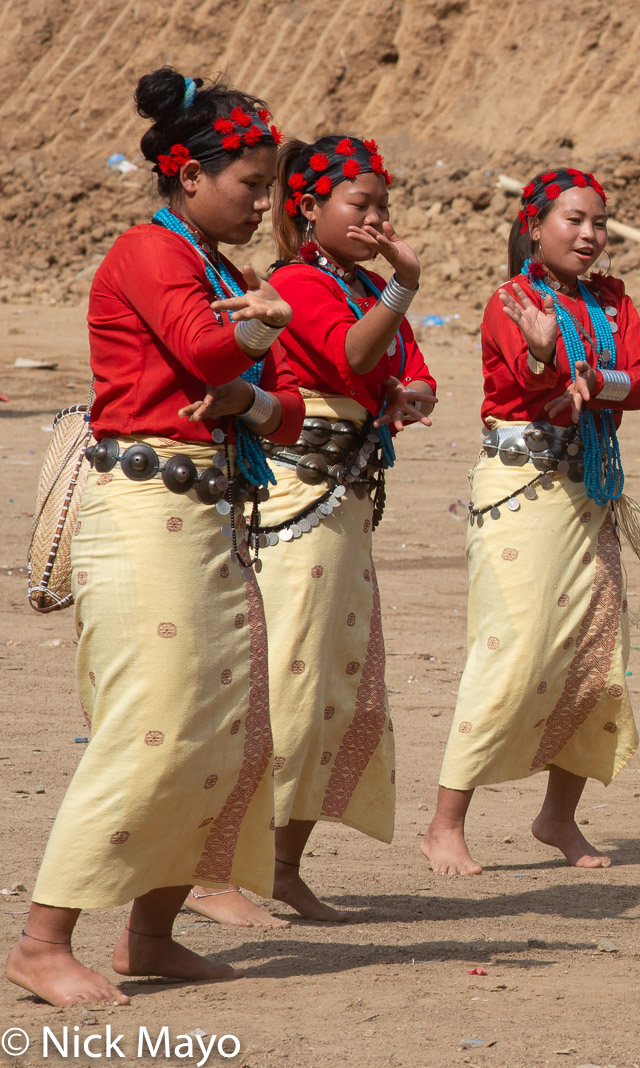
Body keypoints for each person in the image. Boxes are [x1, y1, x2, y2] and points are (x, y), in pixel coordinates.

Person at [4, 67, 301, 1005]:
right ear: (187, 177)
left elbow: (283, 412)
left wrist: (252, 378)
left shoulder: (222, 271)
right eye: (249, 185)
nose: (265, 203)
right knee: (150, 726)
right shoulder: (148, 251)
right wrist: (253, 347)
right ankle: (42, 941)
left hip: (202, 516)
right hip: (144, 517)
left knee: (215, 729)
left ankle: (151, 933)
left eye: (269, 187)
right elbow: (211, 353)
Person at [179, 132, 438, 926]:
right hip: (302, 502)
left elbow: (407, 367)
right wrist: (407, 286)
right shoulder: (298, 281)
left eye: (383, 207)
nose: (375, 219)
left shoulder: (359, 285)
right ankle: (212, 869)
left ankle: (285, 865)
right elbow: (357, 355)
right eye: (360, 205)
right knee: (282, 680)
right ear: (309, 207)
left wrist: (413, 392)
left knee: (334, 688)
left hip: (350, 505)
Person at [421, 168, 640, 873]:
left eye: (600, 223)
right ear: (534, 226)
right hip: (524, 490)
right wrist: (545, 354)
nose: (590, 235)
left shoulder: (613, 301)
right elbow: (531, 386)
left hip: (589, 490)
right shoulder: (510, 300)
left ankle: (558, 816)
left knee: (596, 652)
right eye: (575, 221)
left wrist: (600, 381)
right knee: (512, 649)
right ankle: (445, 822)